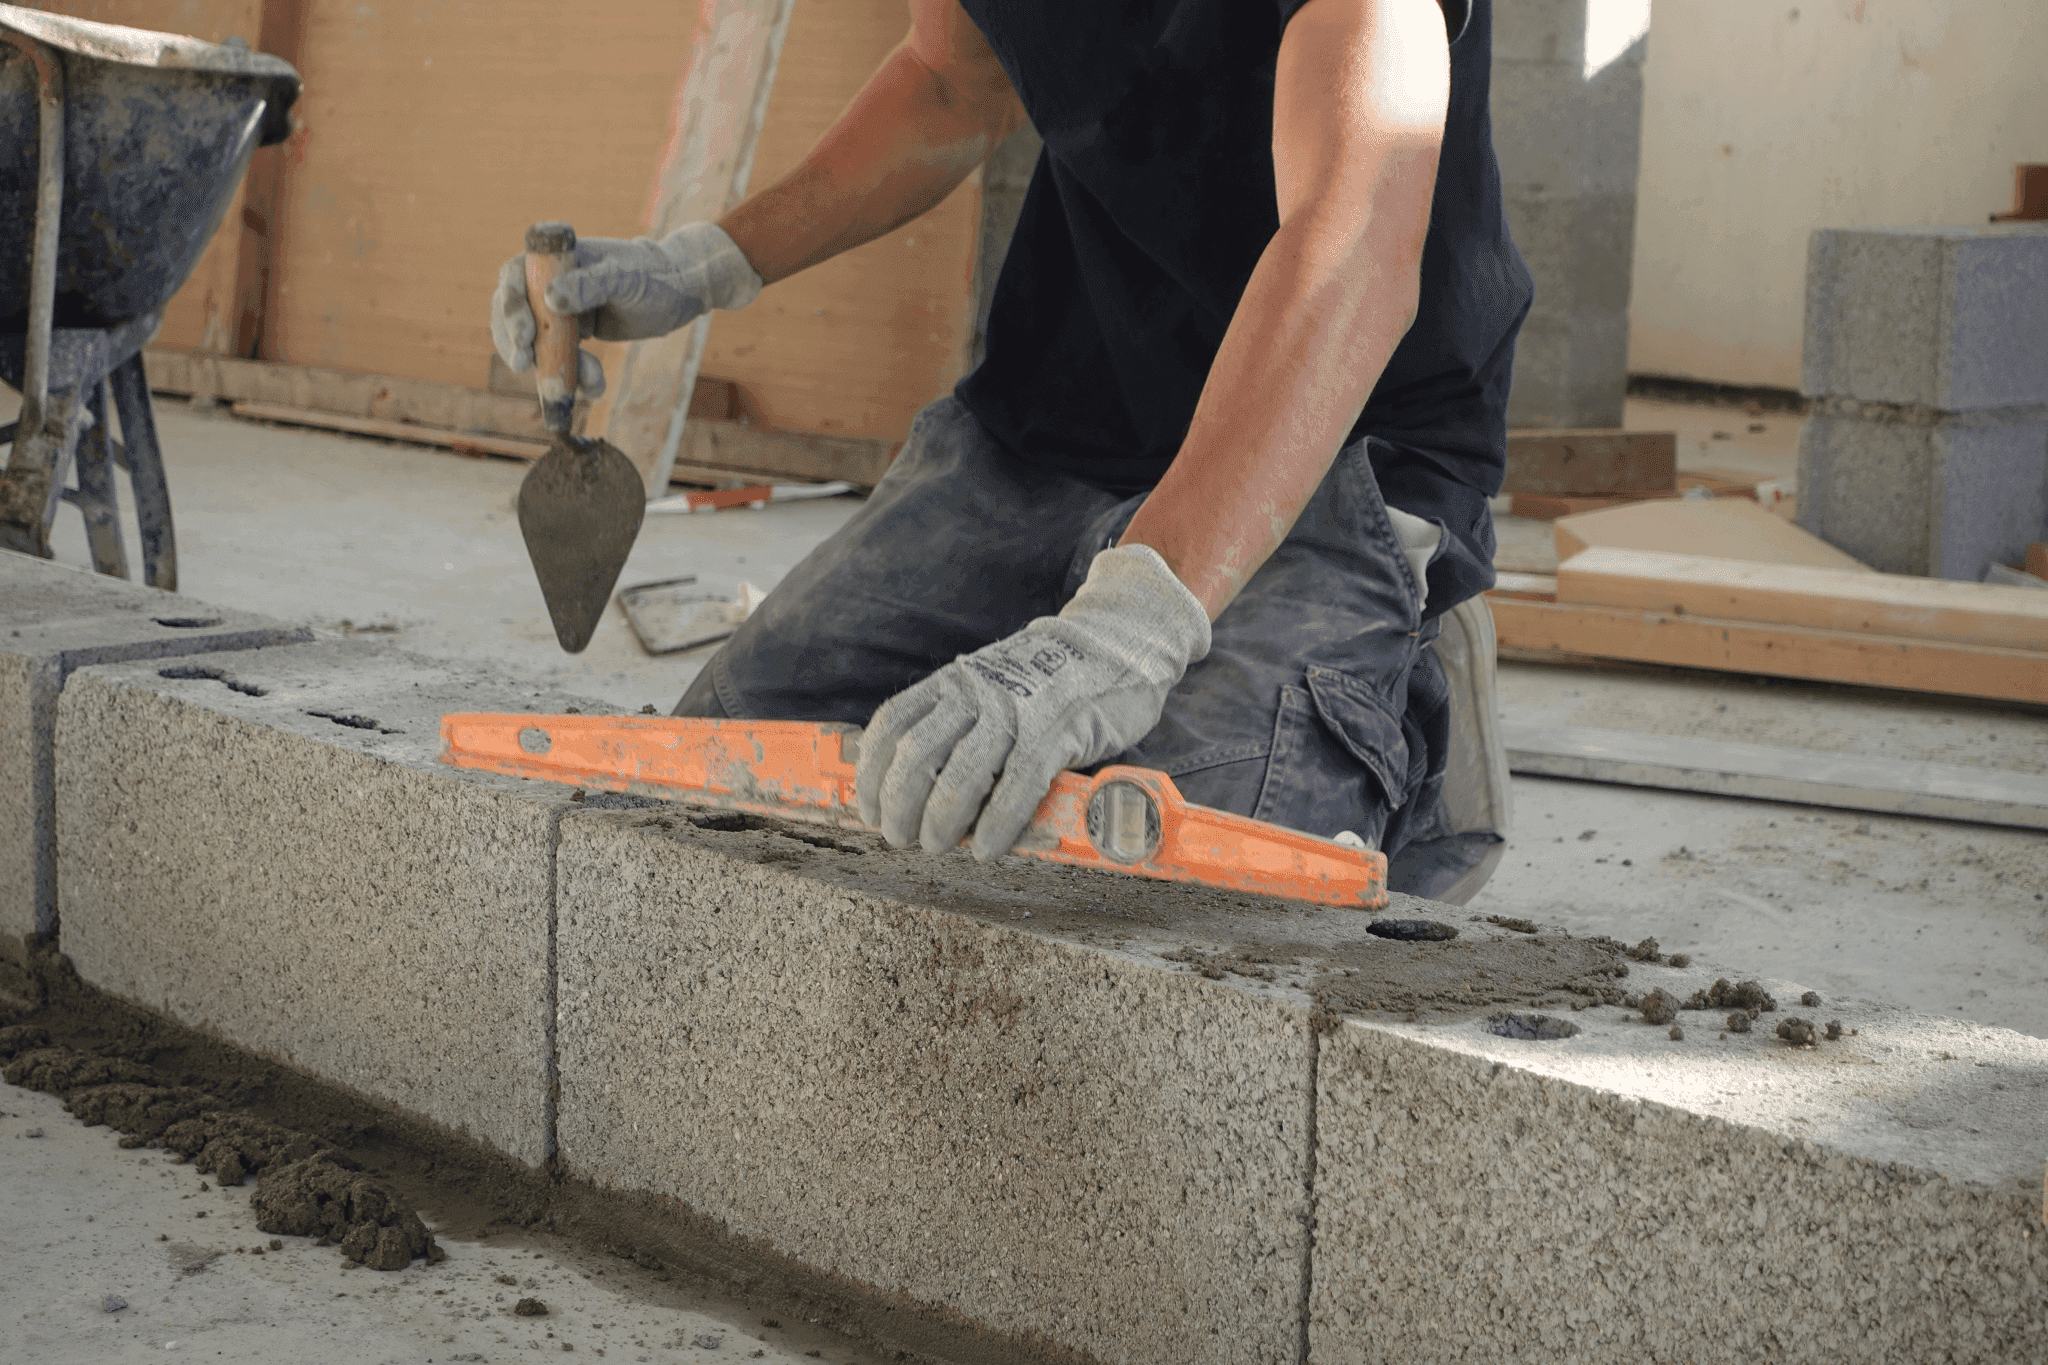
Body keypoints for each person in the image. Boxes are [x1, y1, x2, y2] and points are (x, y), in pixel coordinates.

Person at [491, 0, 1532, 902]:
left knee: (1174, 898)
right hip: (1054, 415)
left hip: (1333, 451)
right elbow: (946, 82)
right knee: (710, 793)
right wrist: (704, 262)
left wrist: (1129, 624)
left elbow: (1347, 245)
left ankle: (1402, 670)